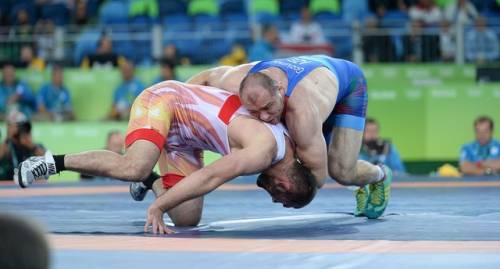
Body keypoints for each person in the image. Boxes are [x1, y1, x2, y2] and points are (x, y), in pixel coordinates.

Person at [15, 81, 316, 234]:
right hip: (165, 103)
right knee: (134, 165)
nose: (274, 199)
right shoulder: (263, 151)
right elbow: (210, 177)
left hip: (187, 139)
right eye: (280, 199)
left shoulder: (289, 140)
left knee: (186, 219)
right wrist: (157, 209)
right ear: (287, 184)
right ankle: (50, 162)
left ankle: (153, 181)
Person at [187, 55, 393, 219]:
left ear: (280, 90)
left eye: (268, 107)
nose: (265, 117)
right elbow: (199, 81)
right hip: (315, 79)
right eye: (255, 111)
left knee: (341, 171)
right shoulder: (234, 81)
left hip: (348, 86)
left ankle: (380, 175)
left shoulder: (301, 116)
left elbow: (317, 179)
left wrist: (273, 165)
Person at [0, 112, 45, 180]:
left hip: (31, 186)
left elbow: (49, 163)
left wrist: (31, 146)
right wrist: (8, 138)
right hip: (7, 185)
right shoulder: (6, 146)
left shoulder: (35, 146)